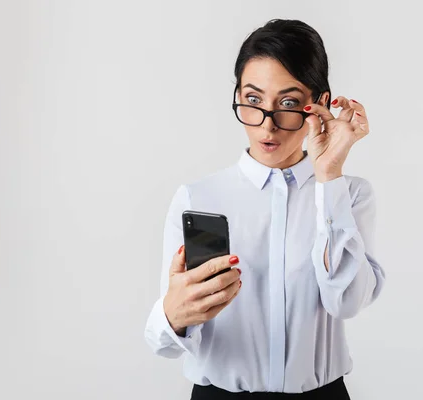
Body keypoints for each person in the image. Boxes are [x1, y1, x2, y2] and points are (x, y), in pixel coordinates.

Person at [144, 18, 385, 399]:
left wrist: (329, 176)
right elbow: (165, 343)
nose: (266, 126)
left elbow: (347, 301)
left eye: (288, 103)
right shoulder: (199, 198)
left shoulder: (349, 194)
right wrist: (174, 315)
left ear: (320, 104)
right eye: (253, 101)